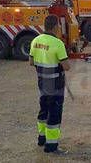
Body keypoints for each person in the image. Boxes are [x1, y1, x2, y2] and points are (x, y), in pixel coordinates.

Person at [29, 14, 71, 154]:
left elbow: (31, 62)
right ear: (55, 27)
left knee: (43, 111)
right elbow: (66, 66)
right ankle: (51, 146)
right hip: (55, 85)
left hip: (42, 84)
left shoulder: (36, 40)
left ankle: (42, 139)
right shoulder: (57, 43)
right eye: (59, 25)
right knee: (54, 114)